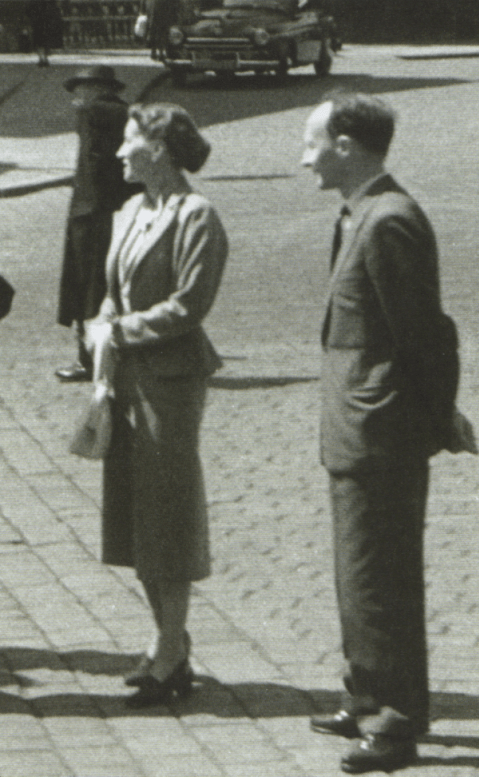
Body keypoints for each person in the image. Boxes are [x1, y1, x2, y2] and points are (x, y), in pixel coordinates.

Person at [301, 94, 464, 773]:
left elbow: (426, 335)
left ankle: (397, 719)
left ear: (346, 144)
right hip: (355, 426)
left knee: (383, 580)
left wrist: (435, 419)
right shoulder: (359, 211)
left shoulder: (391, 219)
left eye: (311, 141)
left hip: (382, 429)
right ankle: (365, 690)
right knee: (356, 573)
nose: (303, 155)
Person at [85, 102, 228, 708]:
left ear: (160, 149)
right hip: (124, 380)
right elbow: (113, 292)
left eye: (129, 140)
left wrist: (121, 331)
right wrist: (103, 325)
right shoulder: (127, 212)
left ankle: (170, 654)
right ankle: (170, 642)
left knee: (166, 514)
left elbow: (191, 306)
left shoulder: (198, 217)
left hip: (170, 381)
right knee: (137, 517)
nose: (119, 152)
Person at [56, 65, 139, 382]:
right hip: (116, 209)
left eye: (80, 88)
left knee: (85, 287)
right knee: (109, 285)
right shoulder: (126, 112)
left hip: (89, 213)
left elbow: (95, 163)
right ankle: (110, 353)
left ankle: (89, 359)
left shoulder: (92, 112)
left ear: (95, 88)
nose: (76, 95)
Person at [26, 0, 64, 67]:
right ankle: (43, 58)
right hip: (43, 18)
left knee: (39, 39)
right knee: (43, 39)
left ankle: (42, 58)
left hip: (39, 18)